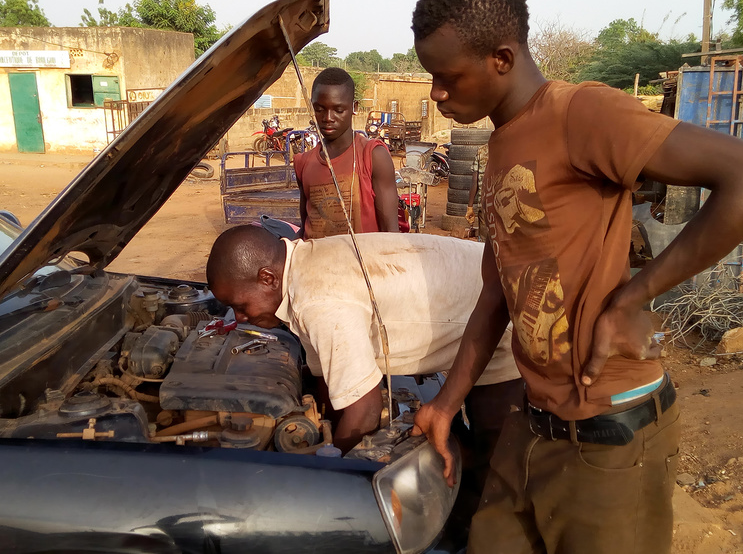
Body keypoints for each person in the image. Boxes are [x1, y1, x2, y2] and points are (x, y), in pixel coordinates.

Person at [408, 0, 743, 553]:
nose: (436, 92)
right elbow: (497, 293)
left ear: (501, 58)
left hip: (610, 435)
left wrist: (631, 298)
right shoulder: (500, 145)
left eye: (447, 76)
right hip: (532, 425)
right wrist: (446, 404)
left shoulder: (580, 113)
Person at [205, 225, 523, 454]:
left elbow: (366, 410)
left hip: (505, 317)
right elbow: (328, 382)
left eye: (240, 306)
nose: (239, 319)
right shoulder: (306, 263)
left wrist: (329, 466)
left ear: (267, 278)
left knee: (496, 459)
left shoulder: (317, 301)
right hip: (482, 286)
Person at [294, 67, 399, 239]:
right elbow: (306, 226)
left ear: (354, 107)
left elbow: (390, 232)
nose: (328, 117)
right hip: (316, 263)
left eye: (338, 110)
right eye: (320, 109)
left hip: (361, 263)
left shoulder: (373, 156)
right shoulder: (303, 162)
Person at [466, 144, 489, 243]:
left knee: (483, 244)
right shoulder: (509, 149)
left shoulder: (481, 151)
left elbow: (474, 180)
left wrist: (470, 207)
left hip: (484, 204)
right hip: (504, 205)